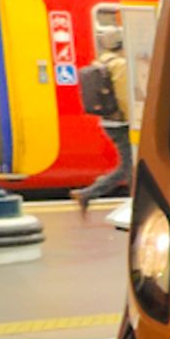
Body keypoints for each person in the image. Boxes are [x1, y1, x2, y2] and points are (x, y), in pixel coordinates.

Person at [73, 24, 134, 210]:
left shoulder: (99, 63)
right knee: (129, 165)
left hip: (107, 121)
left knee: (129, 162)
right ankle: (89, 193)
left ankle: (132, 196)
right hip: (121, 121)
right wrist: (133, 117)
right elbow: (124, 95)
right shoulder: (119, 65)